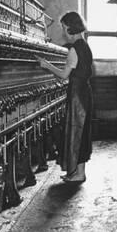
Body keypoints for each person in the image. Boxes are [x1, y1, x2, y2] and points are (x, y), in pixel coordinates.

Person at [37, 12, 93, 183]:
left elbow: (64, 75)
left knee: (75, 131)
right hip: (85, 92)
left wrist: (47, 65)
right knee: (81, 133)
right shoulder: (85, 46)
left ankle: (77, 173)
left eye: (63, 27)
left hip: (77, 95)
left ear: (70, 27)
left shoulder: (75, 49)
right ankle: (78, 172)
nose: (63, 31)